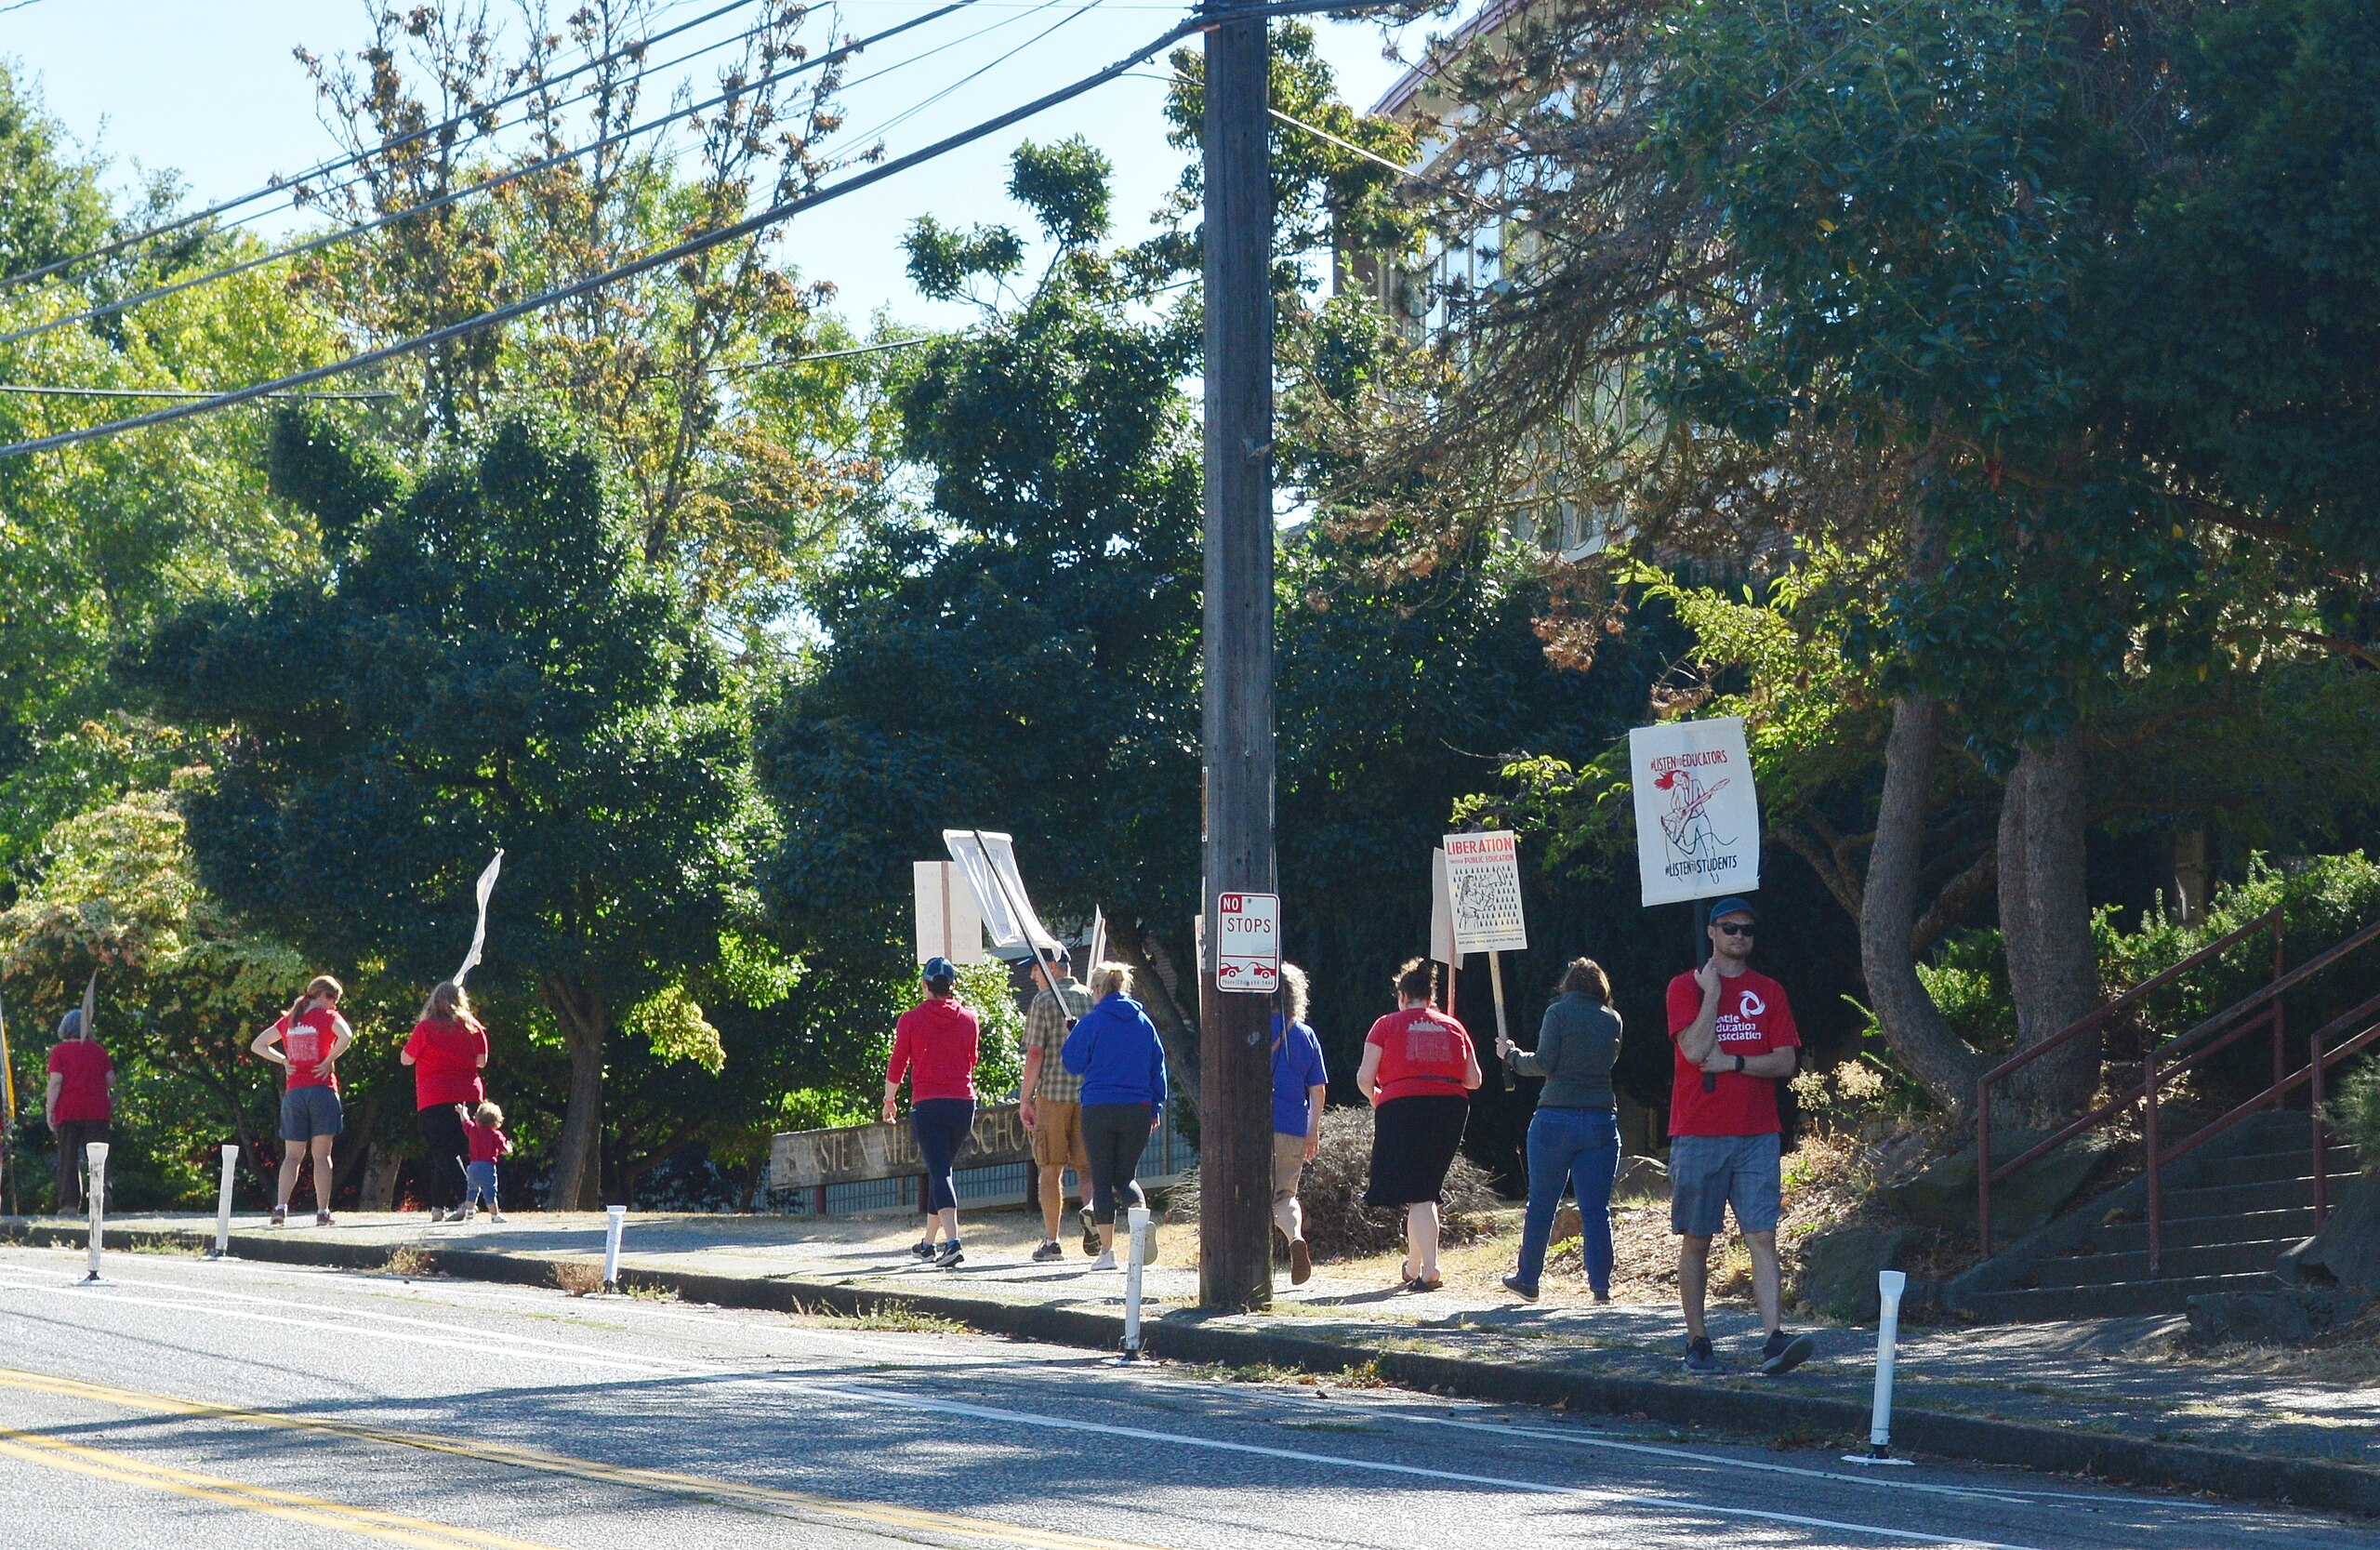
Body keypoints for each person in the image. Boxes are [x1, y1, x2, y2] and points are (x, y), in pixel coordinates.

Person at [1666, 896, 1813, 1375]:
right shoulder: (1684, 987)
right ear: (1711, 933)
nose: (1739, 937)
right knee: (1697, 1239)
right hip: (1699, 1132)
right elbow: (1693, 1049)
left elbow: (1786, 1060)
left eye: (1747, 930)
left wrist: (1736, 1063)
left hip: (1757, 1134)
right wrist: (1711, 994)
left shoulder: (1769, 991)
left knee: (1763, 1236)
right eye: (1729, 929)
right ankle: (1697, 1340)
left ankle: (1774, 1338)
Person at [1501, 958, 1623, 1304]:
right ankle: (1600, 1287)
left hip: (1555, 1117)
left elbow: (1543, 1063)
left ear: (1568, 985)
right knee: (1596, 1209)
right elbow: (1608, 1061)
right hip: (1600, 1118)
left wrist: (1511, 1055)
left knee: (1542, 1203)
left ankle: (1528, 1279)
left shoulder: (1557, 1013)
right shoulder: (1613, 1020)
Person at [1357, 959, 1483, 1292]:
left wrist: (1377, 1098)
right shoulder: (1454, 1026)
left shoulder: (1385, 1025)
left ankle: (1430, 1268)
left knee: (1421, 1193)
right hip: (1450, 1109)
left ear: (1402, 995)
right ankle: (1414, 1265)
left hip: (1401, 1106)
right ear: (1431, 998)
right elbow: (1473, 1080)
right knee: (1422, 1190)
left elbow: (1364, 1077)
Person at [1061, 961, 1167, 1271]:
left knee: (1102, 1179)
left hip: (1099, 1107)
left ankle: (1107, 1253)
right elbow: (1157, 1067)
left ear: (1097, 989)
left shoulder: (1092, 1022)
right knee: (1126, 1176)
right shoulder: (1144, 1022)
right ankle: (1140, 1225)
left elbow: (1072, 1062)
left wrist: (1074, 1032)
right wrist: (1156, 1106)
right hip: (1138, 1108)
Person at [885, 955, 980, 1268]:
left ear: (925, 985)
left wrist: (889, 1100)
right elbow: (972, 1059)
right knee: (941, 1170)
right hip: (964, 1103)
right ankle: (928, 1245)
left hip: (928, 1103)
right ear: (951, 986)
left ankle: (953, 1242)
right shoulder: (970, 1018)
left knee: (940, 1171)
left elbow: (898, 1063)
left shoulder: (910, 1020)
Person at [250, 976, 353, 1226]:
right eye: (333, 999)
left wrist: (284, 1061)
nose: (335, 1005)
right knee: (321, 1156)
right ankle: (322, 1212)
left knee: (291, 1156)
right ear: (321, 996)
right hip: (322, 1090)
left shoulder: (289, 1020)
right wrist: (329, 1059)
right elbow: (347, 1036)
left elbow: (257, 1045)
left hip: (294, 1094)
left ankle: (280, 1209)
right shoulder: (328, 1017)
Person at [1018, 949, 1095, 1263]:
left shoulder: (1044, 1001)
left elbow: (1035, 1052)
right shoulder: (1092, 996)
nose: (1032, 976)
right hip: (1089, 1094)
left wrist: (1025, 1098)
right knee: (1088, 1168)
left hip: (1053, 1094)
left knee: (1050, 1169)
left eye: (1035, 969)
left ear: (1051, 968)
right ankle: (1097, 1232)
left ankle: (1052, 1241)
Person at [403, 981, 490, 1223]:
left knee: (442, 1150)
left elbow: (406, 1059)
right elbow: (481, 1061)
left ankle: (466, 1200)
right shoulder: (474, 1028)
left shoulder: (425, 1029)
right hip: (468, 1096)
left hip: (434, 1095)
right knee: (453, 1152)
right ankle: (437, 1207)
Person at [1270, 962, 1328, 1286]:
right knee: (1284, 1197)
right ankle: (1294, 1237)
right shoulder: (1305, 1035)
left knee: (1248, 1195)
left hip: (1253, 1126)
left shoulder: (1248, 1028)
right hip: (1292, 1126)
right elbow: (1317, 1089)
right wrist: (1312, 1130)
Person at [45, 1008, 113, 1216]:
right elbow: (111, 1080)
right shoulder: (99, 1050)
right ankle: (101, 1200)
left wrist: (49, 1110)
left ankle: (69, 1205)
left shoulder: (59, 1052)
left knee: (68, 1157)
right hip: (97, 1111)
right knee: (99, 1157)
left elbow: (56, 1081)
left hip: (69, 1110)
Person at [457, 1100, 512, 1222]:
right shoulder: (495, 1134)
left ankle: (469, 1213)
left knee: (472, 1191)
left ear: (478, 1118)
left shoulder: (472, 1131)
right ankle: (494, 1215)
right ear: (495, 1121)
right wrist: (509, 1148)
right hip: (487, 1167)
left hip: (473, 1166)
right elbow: (504, 1149)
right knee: (490, 1192)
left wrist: (462, 1112)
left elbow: (465, 1121)